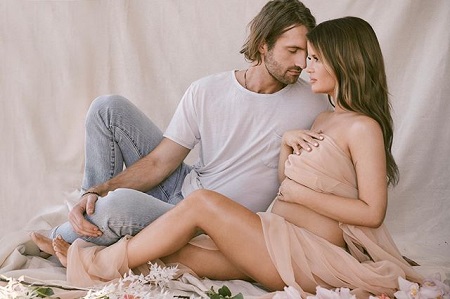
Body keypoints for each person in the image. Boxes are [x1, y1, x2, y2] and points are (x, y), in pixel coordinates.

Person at [50, 16, 423, 298]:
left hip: (301, 254)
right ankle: (85, 230)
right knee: (174, 257)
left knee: (198, 205)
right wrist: (285, 145)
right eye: (298, 54)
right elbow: (287, 181)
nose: (305, 68)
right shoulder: (324, 116)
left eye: (313, 58)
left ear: (344, 61)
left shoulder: (361, 127)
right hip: (266, 235)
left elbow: (372, 212)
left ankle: (84, 251)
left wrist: (301, 197)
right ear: (264, 46)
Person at [31, 0, 329, 252]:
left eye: (307, 52)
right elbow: (161, 162)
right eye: (292, 51)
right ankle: (86, 206)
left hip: (205, 220)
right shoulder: (207, 90)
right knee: (107, 108)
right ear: (264, 45)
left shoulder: (312, 103)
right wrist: (100, 188)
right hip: (182, 185)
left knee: (118, 206)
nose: (303, 62)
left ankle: (70, 234)